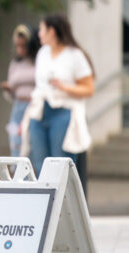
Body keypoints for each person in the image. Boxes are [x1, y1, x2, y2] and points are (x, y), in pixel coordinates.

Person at [25, 14, 94, 188]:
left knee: (60, 164)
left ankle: (64, 210)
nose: (39, 34)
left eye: (42, 30)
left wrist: (64, 87)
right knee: (40, 164)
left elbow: (88, 88)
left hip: (63, 112)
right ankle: (45, 210)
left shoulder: (74, 55)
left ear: (52, 31)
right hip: (40, 111)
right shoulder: (42, 53)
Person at [1, 24, 38, 157]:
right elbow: (11, 94)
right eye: (17, 46)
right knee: (16, 145)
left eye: (23, 46)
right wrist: (8, 89)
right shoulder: (15, 64)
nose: (20, 49)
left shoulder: (39, 62)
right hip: (18, 108)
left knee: (32, 148)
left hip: (34, 108)